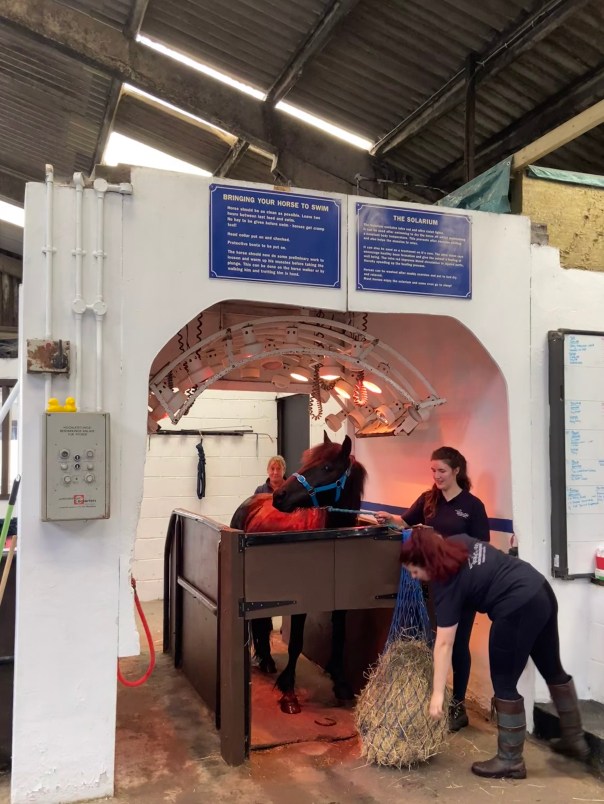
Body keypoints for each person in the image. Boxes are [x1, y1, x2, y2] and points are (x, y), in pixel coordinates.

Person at [400, 527, 590, 779]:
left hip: (515, 607)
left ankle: (510, 760)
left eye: (415, 571)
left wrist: (437, 694)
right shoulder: (458, 542)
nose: (414, 577)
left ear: (429, 561)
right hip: (539, 589)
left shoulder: (445, 584)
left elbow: (444, 644)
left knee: (503, 683)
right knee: (552, 668)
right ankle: (575, 739)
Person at [375, 446, 489, 731]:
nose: (436, 476)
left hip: (463, 585)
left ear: (457, 471)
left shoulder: (472, 506)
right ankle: (433, 698)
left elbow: (482, 548)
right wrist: (389, 519)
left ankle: (458, 706)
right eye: (433, 470)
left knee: (458, 645)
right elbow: (404, 521)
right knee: (436, 642)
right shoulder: (428, 500)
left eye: (442, 471)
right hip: (435, 584)